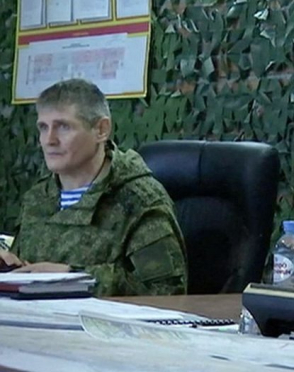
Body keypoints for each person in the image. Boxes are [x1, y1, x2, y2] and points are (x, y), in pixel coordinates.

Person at [0, 79, 187, 296]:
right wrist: (9, 266)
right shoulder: (38, 197)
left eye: (63, 127)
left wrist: (72, 276)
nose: (49, 140)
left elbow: (167, 291)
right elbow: (25, 273)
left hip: (101, 319)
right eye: (43, 127)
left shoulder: (139, 200)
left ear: (101, 130)